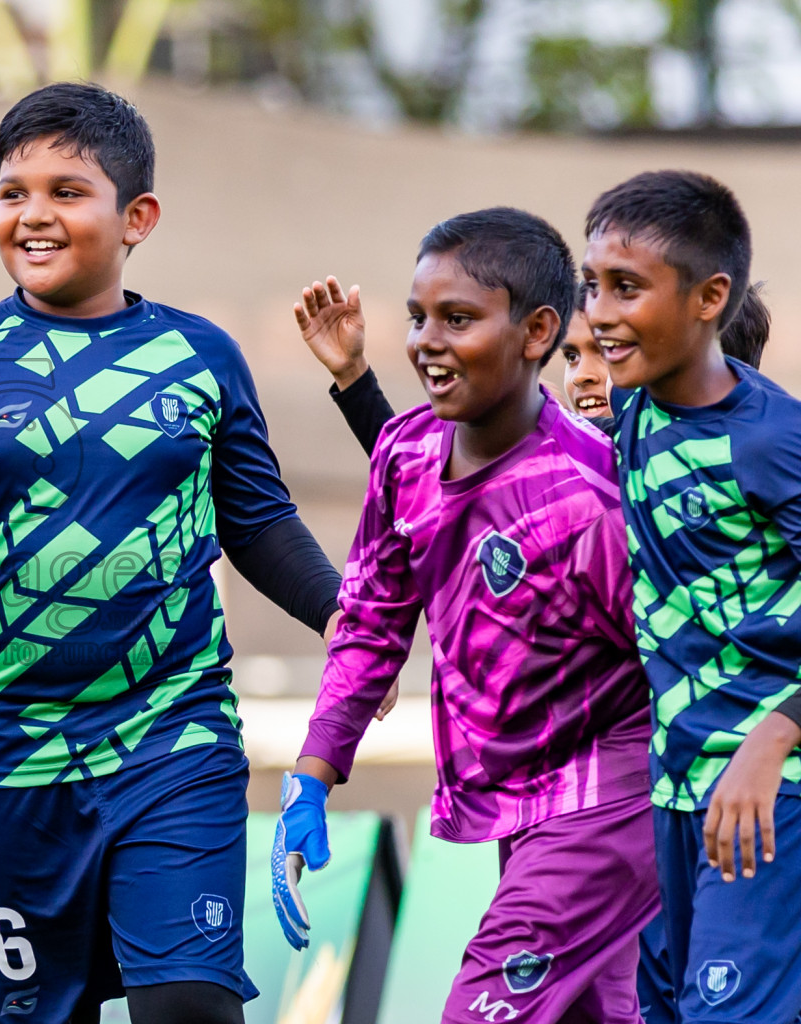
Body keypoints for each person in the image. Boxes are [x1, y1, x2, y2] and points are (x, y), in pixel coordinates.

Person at [0, 82, 343, 1024]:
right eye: (13, 192)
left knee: (192, 1009)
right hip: (8, 762)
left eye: (66, 191)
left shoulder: (200, 354)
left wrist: (359, 623)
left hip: (174, 739)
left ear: (137, 218)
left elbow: (257, 525)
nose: (33, 215)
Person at [276, 208, 659, 1023]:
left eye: (458, 319)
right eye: (418, 318)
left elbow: (680, 663)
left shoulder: (591, 499)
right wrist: (311, 777)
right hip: (518, 809)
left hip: (605, 807)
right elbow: (373, 623)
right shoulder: (404, 454)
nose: (426, 341)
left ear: (537, 332)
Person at [582, 170, 801, 1023]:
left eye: (626, 288)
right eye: (591, 285)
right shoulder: (633, 415)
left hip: (770, 788)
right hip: (674, 797)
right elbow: (475, 462)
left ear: (711, 297)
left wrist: (775, 735)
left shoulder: (772, 440)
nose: (598, 312)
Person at [301, 277, 771, 455]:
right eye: (570, 354)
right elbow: (419, 462)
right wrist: (353, 376)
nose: (582, 374)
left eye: (609, 352)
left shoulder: (762, 459)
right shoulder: (572, 457)